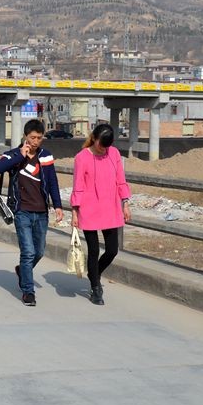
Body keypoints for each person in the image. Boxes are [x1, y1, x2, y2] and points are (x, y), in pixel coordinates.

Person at [0, 119, 64, 306]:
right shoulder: (13, 154)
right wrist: (20, 155)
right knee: (28, 252)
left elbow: (53, 181)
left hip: (41, 212)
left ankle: (22, 271)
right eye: (32, 137)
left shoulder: (45, 156)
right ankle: (28, 291)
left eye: (39, 138)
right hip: (22, 211)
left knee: (39, 251)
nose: (36, 141)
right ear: (25, 136)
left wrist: (57, 206)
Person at [69, 123, 131, 306]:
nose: (104, 149)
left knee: (112, 250)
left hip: (110, 207)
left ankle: (94, 273)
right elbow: (78, 186)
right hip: (89, 209)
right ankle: (95, 288)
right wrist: (74, 212)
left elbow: (121, 180)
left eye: (107, 146)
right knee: (94, 250)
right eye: (101, 145)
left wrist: (125, 204)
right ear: (94, 139)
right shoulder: (82, 157)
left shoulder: (114, 154)